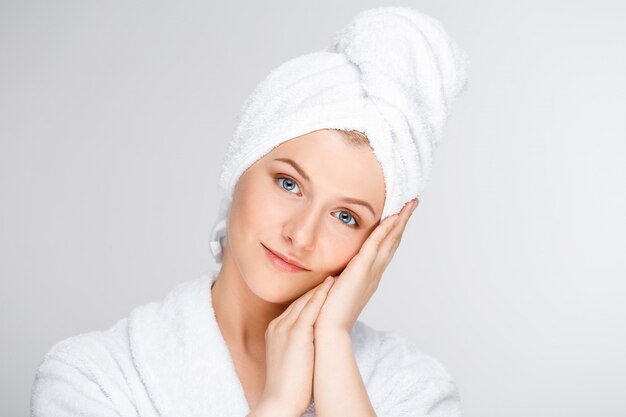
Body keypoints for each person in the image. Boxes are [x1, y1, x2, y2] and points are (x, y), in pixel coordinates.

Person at [31, 6, 469, 417]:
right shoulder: (93, 377)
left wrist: (333, 348)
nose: (301, 234)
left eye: (346, 216)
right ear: (239, 164)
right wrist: (278, 403)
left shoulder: (411, 388)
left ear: (379, 242)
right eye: (289, 184)